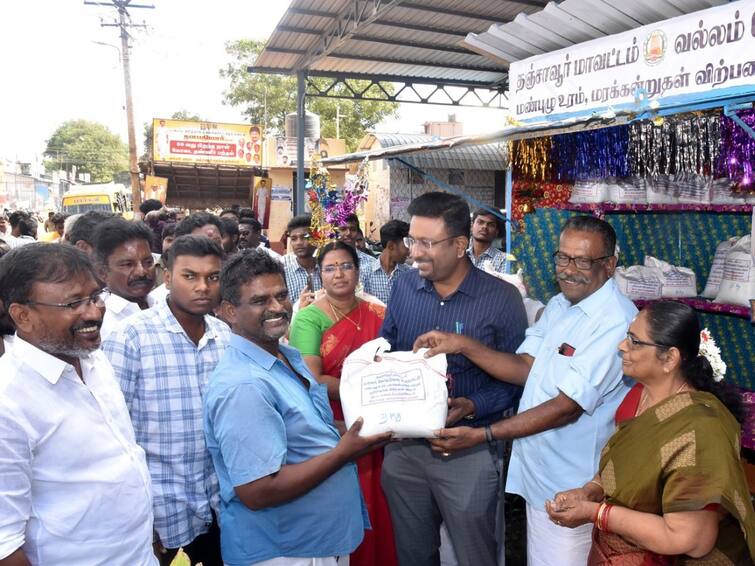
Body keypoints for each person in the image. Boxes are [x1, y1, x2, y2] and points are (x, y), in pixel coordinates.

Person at [415, 215, 636, 566]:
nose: (568, 269)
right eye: (562, 257)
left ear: (609, 265)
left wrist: (483, 434)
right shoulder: (561, 304)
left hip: (576, 485)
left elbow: (567, 407)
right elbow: (525, 367)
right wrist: (461, 345)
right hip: (540, 474)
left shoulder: (616, 322)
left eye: (582, 260)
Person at [204, 249, 392, 566]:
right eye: (260, 300)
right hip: (285, 549)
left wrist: (369, 428)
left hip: (317, 539)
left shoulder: (285, 357)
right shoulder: (244, 386)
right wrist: (344, 452)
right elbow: (258, 490)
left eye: (281, 295)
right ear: (229, 311)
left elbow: (307, 432)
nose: (277, 308)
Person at [379, 191, 528, 566]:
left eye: (427, 243)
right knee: (413, 554)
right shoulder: (403, 287)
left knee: (476, 554)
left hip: (469, 448)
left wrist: (473, 405)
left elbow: (517, 377)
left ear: (461, 245)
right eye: (413, 241)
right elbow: (390, 349)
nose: (415, 253)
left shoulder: (503, 299)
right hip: (405, 449)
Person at [547, 301, 755, 565]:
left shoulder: (701, 429)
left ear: (669, 358)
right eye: (627, 337)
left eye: (635, 341)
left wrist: (596, 513)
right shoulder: (635, 397)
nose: (622, 346)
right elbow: (623, 467)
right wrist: (590, 492)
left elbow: (690, 540)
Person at [0, 244, 157, 565]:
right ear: (22, 315)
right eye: (73, 303)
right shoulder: (8, 401)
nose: (93, 312)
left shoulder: (94, 359)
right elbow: (5, 544)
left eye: (95, 296)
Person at [103, 235, 231, 566]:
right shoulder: (130, 337)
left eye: (212, 277)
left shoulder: (226, 337)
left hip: (222, 507)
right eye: (190, 276)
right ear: (167, 276)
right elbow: (112, 435)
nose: (203, 287)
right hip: (161, 514)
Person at [289, 240, 397, 565]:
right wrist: (366, 391)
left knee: (381, 496)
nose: (339, 274)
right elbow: (313, 378)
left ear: (357, 270)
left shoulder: (378, 312)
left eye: (346, 266)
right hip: (334, 423)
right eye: (330, 268)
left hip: (382, 416)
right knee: (348, 496)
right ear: (320, 275)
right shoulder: (308, 319)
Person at [93, 217, 157, 339]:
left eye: (148, 262)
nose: (141, 272)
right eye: (128, 264)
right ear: (102, 272)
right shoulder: (101, 321)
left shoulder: (164, 304)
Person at [363, 220, 411, 304]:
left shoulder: (409, 274)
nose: (409, 250)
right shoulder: (365, 274)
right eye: (407, 244)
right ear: (391, 246)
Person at [282, 214, 321, 305]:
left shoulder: (326, 265)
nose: (298, 243)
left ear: (316, 237)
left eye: (304, 237)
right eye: (294, 239)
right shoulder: (281, 267)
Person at [338, 213, 379, 289]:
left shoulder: (372, 263)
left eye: (353, 229)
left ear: (357, 232)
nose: (348, 233)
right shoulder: (326, 262)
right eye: (343, 229)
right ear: (335, 232)